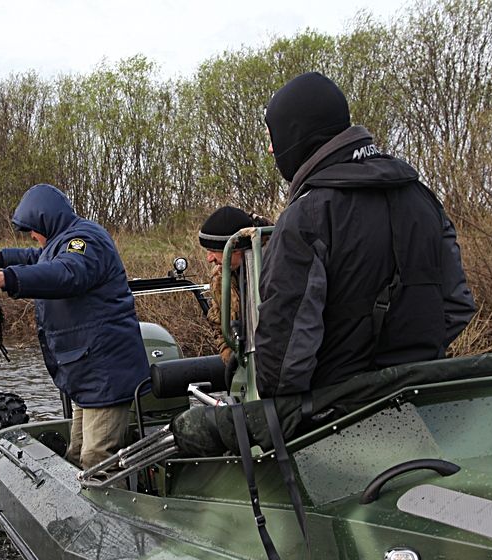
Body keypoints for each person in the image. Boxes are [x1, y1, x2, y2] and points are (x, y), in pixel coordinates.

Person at [255, 72, 476, 398]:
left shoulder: (306, 217)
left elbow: (284, 360)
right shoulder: (423, 198)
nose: (272, 148)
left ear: (296, 134)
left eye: (274, 136)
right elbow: (457, 305)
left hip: (341, 422)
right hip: (427, 406)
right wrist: (409, 362)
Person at [0, 183, 150, 471]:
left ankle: (105, 513)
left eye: (32, 228)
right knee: (77, 456)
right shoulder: (63, 240)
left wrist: (6, 278)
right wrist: (0, 257)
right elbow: (40, 258)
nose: (31, 235)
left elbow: (66, 273)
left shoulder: (85, 240)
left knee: (97, 458)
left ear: (46, 221)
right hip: (87, 373)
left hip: (105, 373)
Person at [198, 206, 272, 365]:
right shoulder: (220, 276)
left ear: (237, 248)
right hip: (246, 367)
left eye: (213, 251)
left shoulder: (275, 268)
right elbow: (217, 322)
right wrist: (229, 354)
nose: (209, 259)